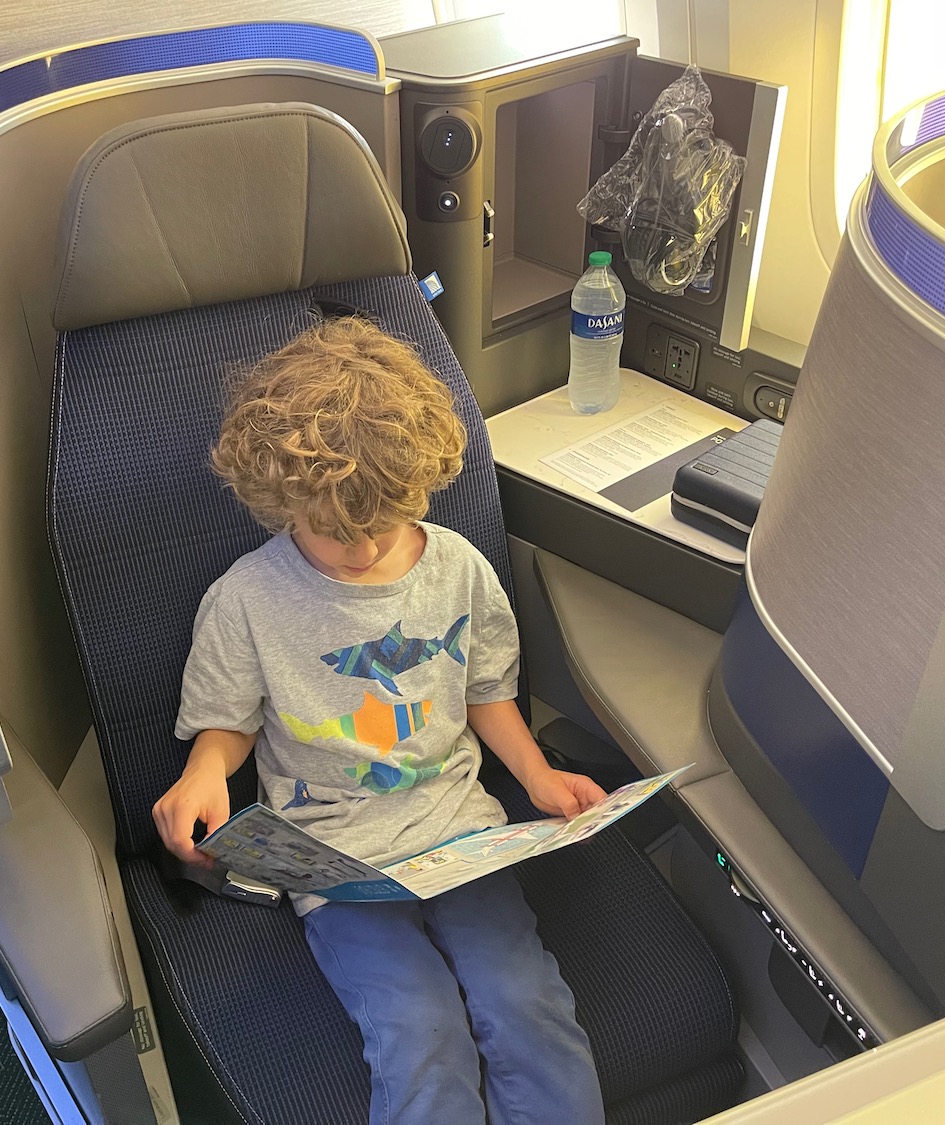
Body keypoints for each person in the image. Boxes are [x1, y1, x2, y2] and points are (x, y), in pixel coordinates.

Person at [153, 316, 608, 1125]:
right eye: (333, 531)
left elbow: (485, 695)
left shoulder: (458, 569)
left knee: (527, 1003)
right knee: (418, 1030)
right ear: (280, 500)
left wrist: (536, 773)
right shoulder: (248, 599)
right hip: (335, 857)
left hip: (459, 832)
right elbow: (228, 723)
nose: (362, 552)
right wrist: (201, 774)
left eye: (384, 526)